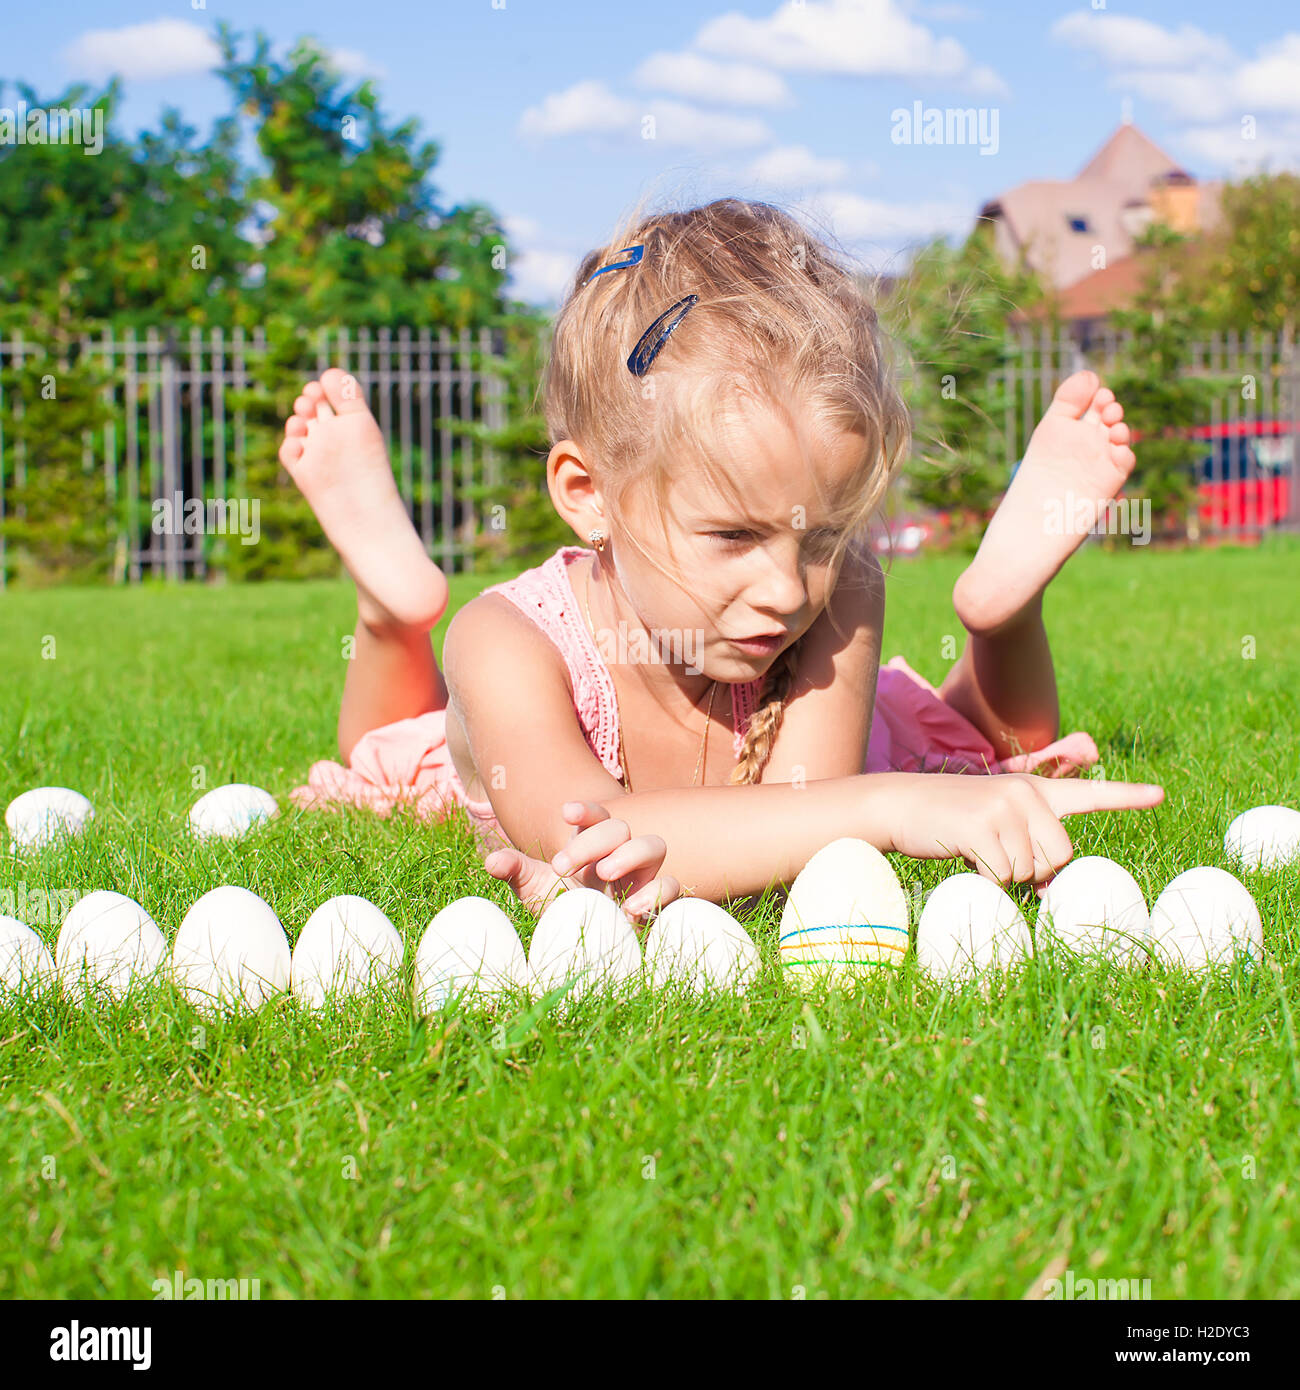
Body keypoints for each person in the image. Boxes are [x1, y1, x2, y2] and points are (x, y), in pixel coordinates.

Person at [278, 198, 1163, 924]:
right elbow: (587, 835)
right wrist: (893, 806)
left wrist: (887, 795)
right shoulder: (508, 644)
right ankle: (393, 614)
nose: (785, 592)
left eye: (822, 536)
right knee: (389, 754)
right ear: (587, 493)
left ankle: (1000, 616)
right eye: (734, 536)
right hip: (483, 709)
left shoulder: (837, 592)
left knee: (987, 750)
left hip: (836, 758)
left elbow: (808, 806)